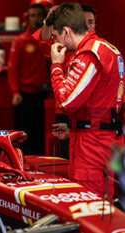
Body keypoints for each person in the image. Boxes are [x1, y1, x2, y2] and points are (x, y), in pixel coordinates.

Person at [46, 2, 124, 199]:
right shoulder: (108, 48)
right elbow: (98, 102)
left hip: (93, 145)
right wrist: (75, 127)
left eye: (56, 36)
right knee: (103, 207)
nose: (56, 43)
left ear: (66, 31)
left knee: (89, 207)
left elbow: (66, 101)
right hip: (100, 135)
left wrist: (56, 66)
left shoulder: (90, 53)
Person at [33, 4, 97, 158]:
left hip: (90, 118)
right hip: (66, 113)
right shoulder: (63, 47)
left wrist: (56, 66)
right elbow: (44, 41)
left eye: (91, 22)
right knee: (69, 160)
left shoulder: (96, 51)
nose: (87, 26)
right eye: (84, 21)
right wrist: (49, 20)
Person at [7, 3, 50, 155]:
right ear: (27, 18)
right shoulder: (20, 41)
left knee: (42, 134)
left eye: (39, 15)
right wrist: (15, 92)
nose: (36, 18)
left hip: (45, 95)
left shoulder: (49, 39)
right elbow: (12, 69)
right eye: (33, 15)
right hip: (25, 96)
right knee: (25, 135)